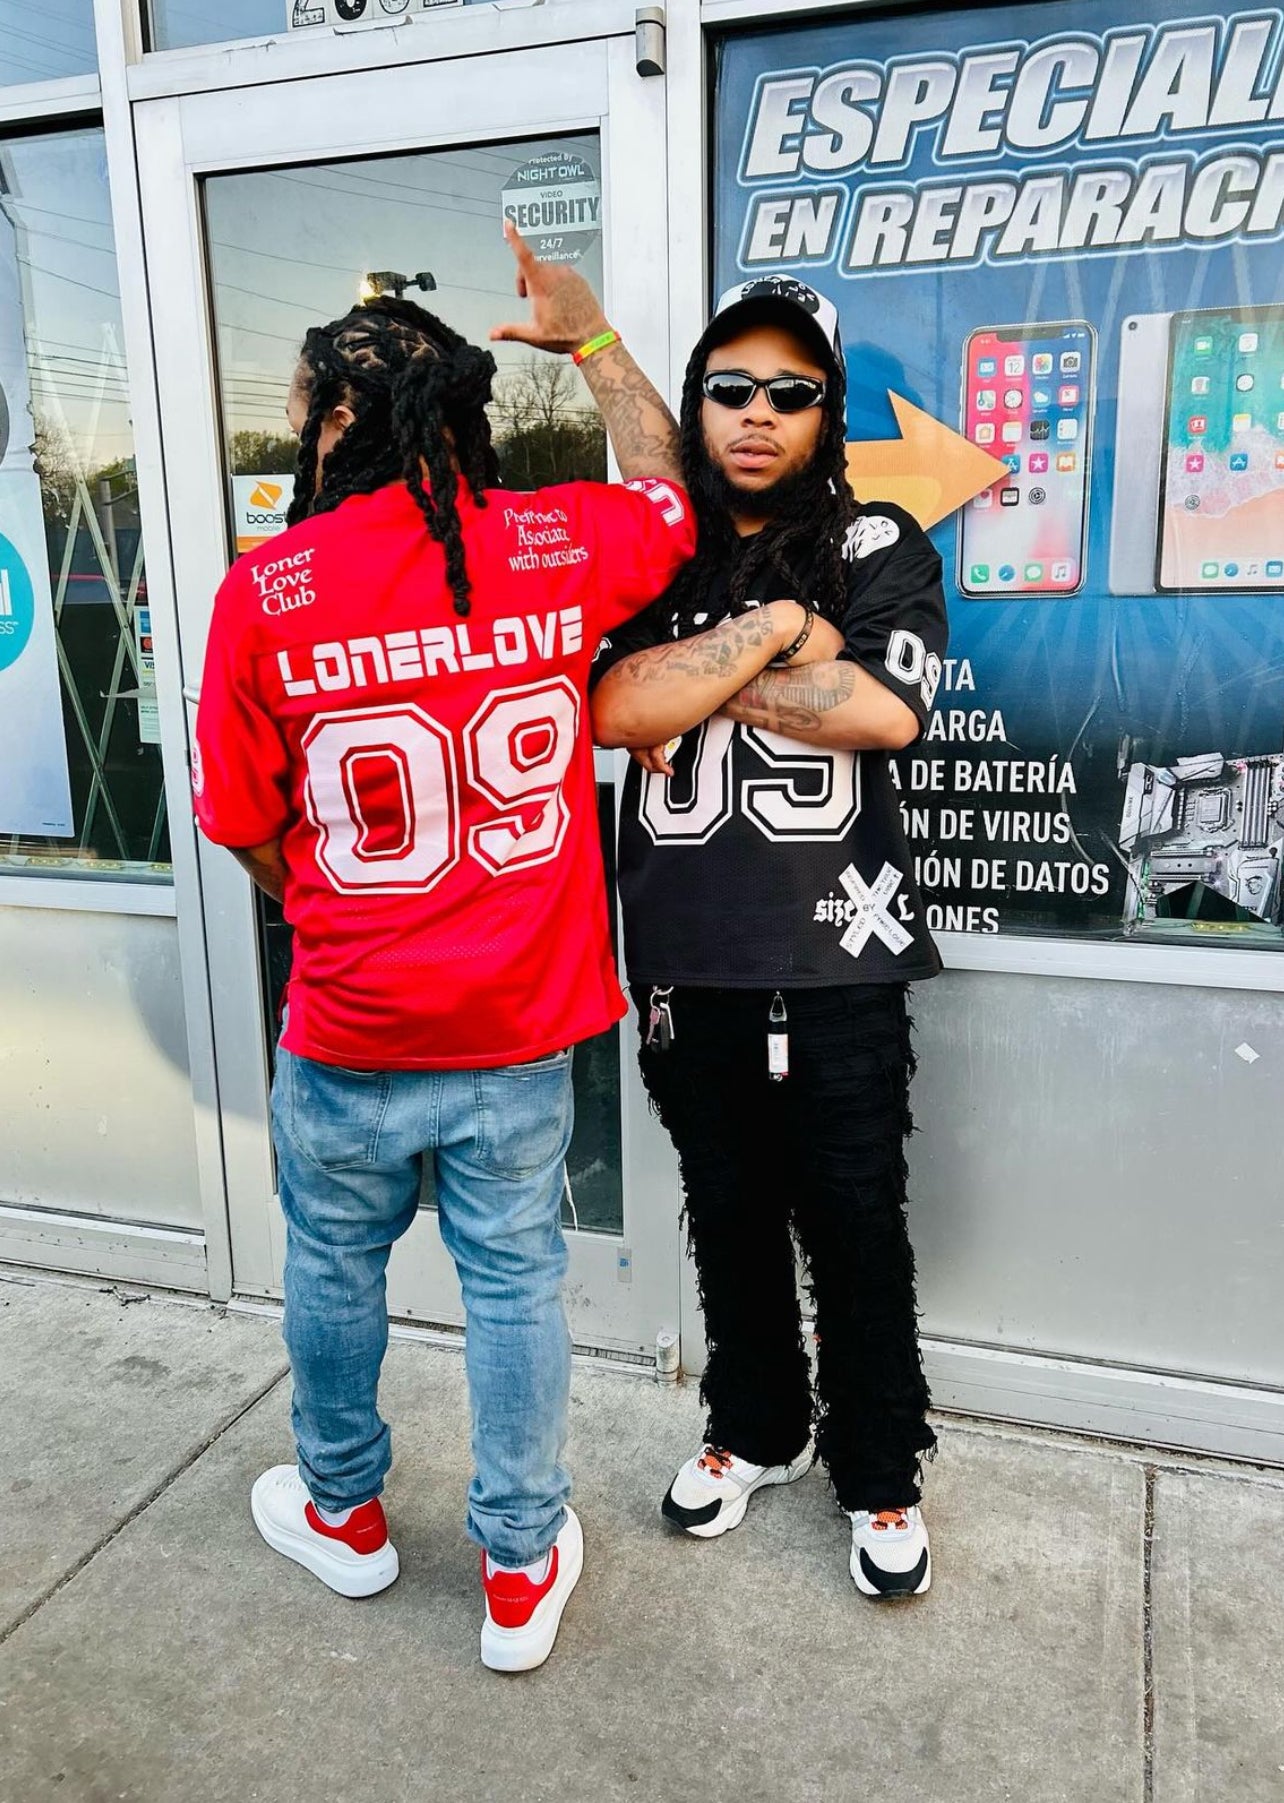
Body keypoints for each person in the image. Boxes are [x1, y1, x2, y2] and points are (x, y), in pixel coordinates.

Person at [191, 224, 694, 1671]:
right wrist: (592, 337)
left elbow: (244, 825)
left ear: (342, 418)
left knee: (332, 1268)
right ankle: (520, 1567)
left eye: (304, 407)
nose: (296, 429)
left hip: (349, 1023)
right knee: (514, 1280)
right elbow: (670, 495)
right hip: (518, 1031)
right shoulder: (557, 542)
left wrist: (333, 911)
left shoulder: (266, 591)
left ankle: (344, 1514)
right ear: (465, 414)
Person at [590, 275, 946, 1599]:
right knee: (728, 1218)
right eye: (730, 388)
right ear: (698, 404)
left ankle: (880, 1469)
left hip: (841, 962)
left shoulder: (876, 539)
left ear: (826, 411)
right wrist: (777, 634)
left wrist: (702, 679)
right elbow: (613, 709)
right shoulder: (659, 548)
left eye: (791, 393)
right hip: (688, 962)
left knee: (857, 1226)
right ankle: (755, 1429)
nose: (757, 414)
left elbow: (882, 710)